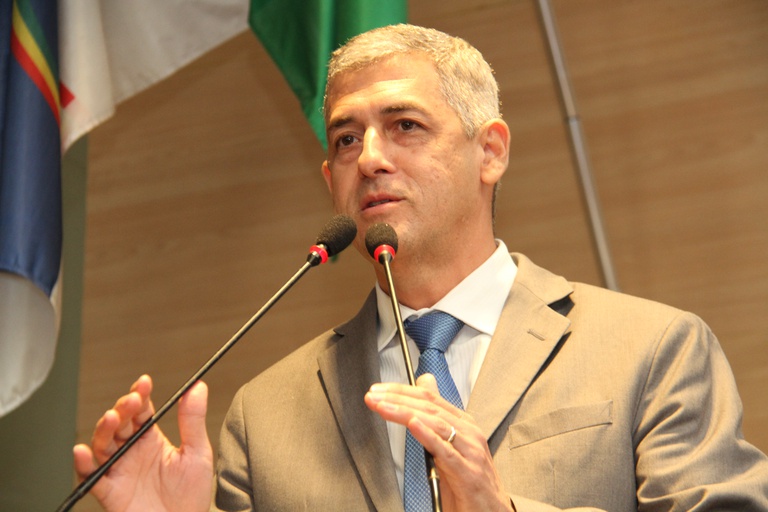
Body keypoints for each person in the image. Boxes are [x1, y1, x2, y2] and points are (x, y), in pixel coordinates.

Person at [72, 24, 768, 511]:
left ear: (490, 152)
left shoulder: (651, 349)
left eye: (405, 125)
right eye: (347, 139)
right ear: (330, 180)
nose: (371, 157)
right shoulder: (264, 417)